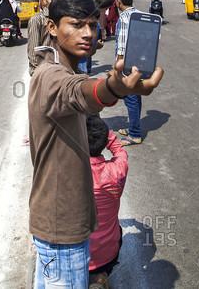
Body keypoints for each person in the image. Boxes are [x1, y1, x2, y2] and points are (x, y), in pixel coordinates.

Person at [28, 0, 163, 287]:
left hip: (65, 221)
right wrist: (115, 87)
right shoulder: (50, 75)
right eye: (76, 25)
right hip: (62, 225)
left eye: (92, 24)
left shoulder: (63, 68)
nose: (87, 33)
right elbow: (80, 91)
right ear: (52, 27)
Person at [86, 115, 128, 288]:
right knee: (117, 230)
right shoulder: (118, 170)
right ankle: (101, 275)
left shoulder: (70, 173)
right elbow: (120, 151)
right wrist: (105, 134)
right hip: (109, 254)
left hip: (78, 256)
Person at [114, 0, 142, 145]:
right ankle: (133, 126)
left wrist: (117, 66)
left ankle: (135, 134)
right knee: (135, 95)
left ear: (119, 1)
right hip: (139, 61)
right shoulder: (139, 15)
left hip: (127, 63)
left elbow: (122, 45)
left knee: (130, 97)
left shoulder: (124, 18)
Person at [27, 0, 62, 75]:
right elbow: (33, 50)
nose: (54, 1)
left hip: (62, 69)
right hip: (44, 71)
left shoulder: (65, 18)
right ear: (45, 0)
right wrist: (37, 72)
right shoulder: (37, 20)